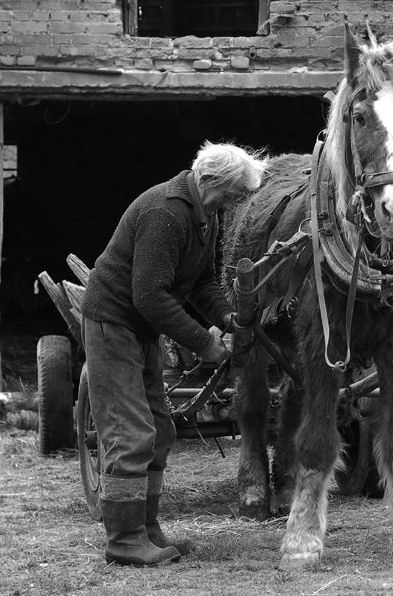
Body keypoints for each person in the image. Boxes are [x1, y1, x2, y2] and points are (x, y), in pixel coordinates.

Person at [81, 141, 266, 566]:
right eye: (235, 192)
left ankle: (146, 529)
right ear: (210, 181)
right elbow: (149, 295)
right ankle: (124, 541)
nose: (238, 202)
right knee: (130, 433)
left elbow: (202, 284)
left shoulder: (206, 216)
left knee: (160, 431)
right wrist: (205, 342)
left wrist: (230, 318)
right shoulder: (166, 213)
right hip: (114, 323)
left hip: (138, 329)